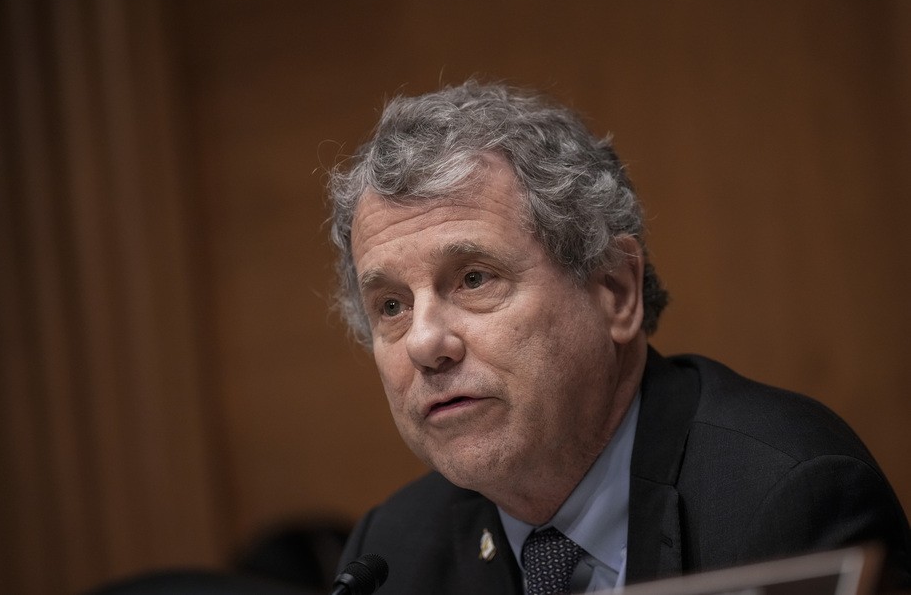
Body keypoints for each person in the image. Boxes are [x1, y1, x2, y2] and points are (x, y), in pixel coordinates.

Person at [326, 80, 911, 594]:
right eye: (392, 306)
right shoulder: (394, 552)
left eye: (475, 278)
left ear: (615, 291)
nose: (425, 343)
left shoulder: (785, 499)